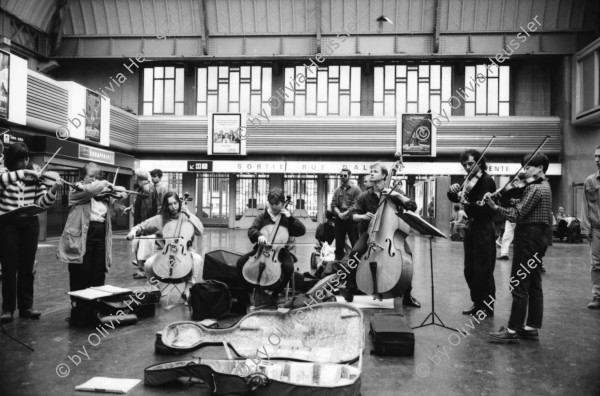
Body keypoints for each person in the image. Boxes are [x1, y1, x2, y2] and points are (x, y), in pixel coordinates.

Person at [485, 152, 552, 343]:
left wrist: (495, 207)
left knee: (519, 284)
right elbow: (524, 207)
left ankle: (513, 331)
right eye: (524, 166)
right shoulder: (545, 186)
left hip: (527, 238)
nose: (525, 170)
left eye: (529, 167)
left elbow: (516, 215)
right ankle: (530, 328)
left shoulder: (534, 189)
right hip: (539, 238)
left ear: (540, 168)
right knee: (534, 284)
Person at [342, 162, 421, 307]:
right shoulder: (365, 196)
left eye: (375, 171)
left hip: (392, 235)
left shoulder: (395, 192)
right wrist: (363, 217)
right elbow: (352, 216)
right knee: (354, 253)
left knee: (408, 257)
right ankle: (350, 288)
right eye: (370, 171)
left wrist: (396, 194)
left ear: (384, 175)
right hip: (370, 233)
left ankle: (407, 296)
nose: (371, 173)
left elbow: (413, 206)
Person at [0, 142, 61, 322]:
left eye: (27, 159)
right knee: (9, 268)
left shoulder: (36, 178)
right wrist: (23, 173)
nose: (26, 162)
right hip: (7, 224)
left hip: (29, 224)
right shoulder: (4, 174)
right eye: (21, 159)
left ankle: (26, 306)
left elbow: (43, 203)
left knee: (27, 267)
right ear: (13, 160)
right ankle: (8, 308)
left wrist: (53, 191)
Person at [58, 162, 126, 298]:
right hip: (82, 235)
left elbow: (123, 193)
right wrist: (104, 182)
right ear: (82, 176)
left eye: (97, 176)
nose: (94, 179)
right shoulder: (76, 190)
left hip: (100, 235)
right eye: (91, 176)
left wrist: (112, 187)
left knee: (98, 272)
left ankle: (95, 306)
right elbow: (90, 190)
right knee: (81, 272)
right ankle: (78, 309)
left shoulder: (103, 194)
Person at [447, 149, 497, 317]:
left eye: (471, 163)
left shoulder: (487, 180)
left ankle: (487, 306)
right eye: (465, 165)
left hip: (483, 228)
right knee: (470, 269)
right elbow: (457, 198)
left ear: (480, 162)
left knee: (484, 269)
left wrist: (465, 203)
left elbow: (483, 207)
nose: (468, 167)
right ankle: (477, 302)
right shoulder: (468, 179)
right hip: (471, 228)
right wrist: (452, 191)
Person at [126, 192, 204, 297]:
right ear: (166, 206)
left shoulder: (186, 217)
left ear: (179, 203)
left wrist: (189, 215)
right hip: (163, 253)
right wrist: (134, 230)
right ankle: (155, 288)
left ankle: (188, 288)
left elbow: (200, 231)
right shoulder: (160, 219)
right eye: (170, 204)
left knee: (198, 259)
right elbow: (143, 226)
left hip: (185, 252)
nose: (173, 207)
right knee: (148, 265)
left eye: (175, 203)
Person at [236, 187, 306, 304]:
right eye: (271, 204)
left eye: (277, 204)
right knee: (240, 263)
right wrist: (259, 235)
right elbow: (251, 230)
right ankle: (246, 293)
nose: (274, 207)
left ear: (283, 203)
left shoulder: (286, 218)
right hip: (261, 250)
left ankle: (276, 293)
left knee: (289, 268)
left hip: (280, 251)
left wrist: (291, 218)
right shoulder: (263, 216)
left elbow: (301, 231)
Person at [125, 169, 158, 279]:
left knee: (143, 249)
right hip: (147, 224)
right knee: (142, 248)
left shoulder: (146, 188)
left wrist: (142, 226)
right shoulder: (149, 187)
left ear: (138, 179)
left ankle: (144, 272)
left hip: (145, 226)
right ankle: (143, 270)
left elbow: (146, 209)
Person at [582, 145, 600, 309]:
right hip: (597, 229)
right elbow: (585, 206)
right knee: (596, 264)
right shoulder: (590, 181)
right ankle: (597, 296)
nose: (596, 160)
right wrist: (585, 228)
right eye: (595, 156)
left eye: (599, 156)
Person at [330, 169, 361, 261]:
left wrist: (346, 213)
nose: (343, 177)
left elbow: (356, 204)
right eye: (341, 175)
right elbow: (333, 204)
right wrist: (339, 214)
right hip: (339, 218)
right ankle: (338, 263)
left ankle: (356, 262)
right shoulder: (337, 190)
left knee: (354, 241)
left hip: (351, 218)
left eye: (345, 175)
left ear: (349, 175)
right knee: (339, 243)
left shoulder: (356, 189)